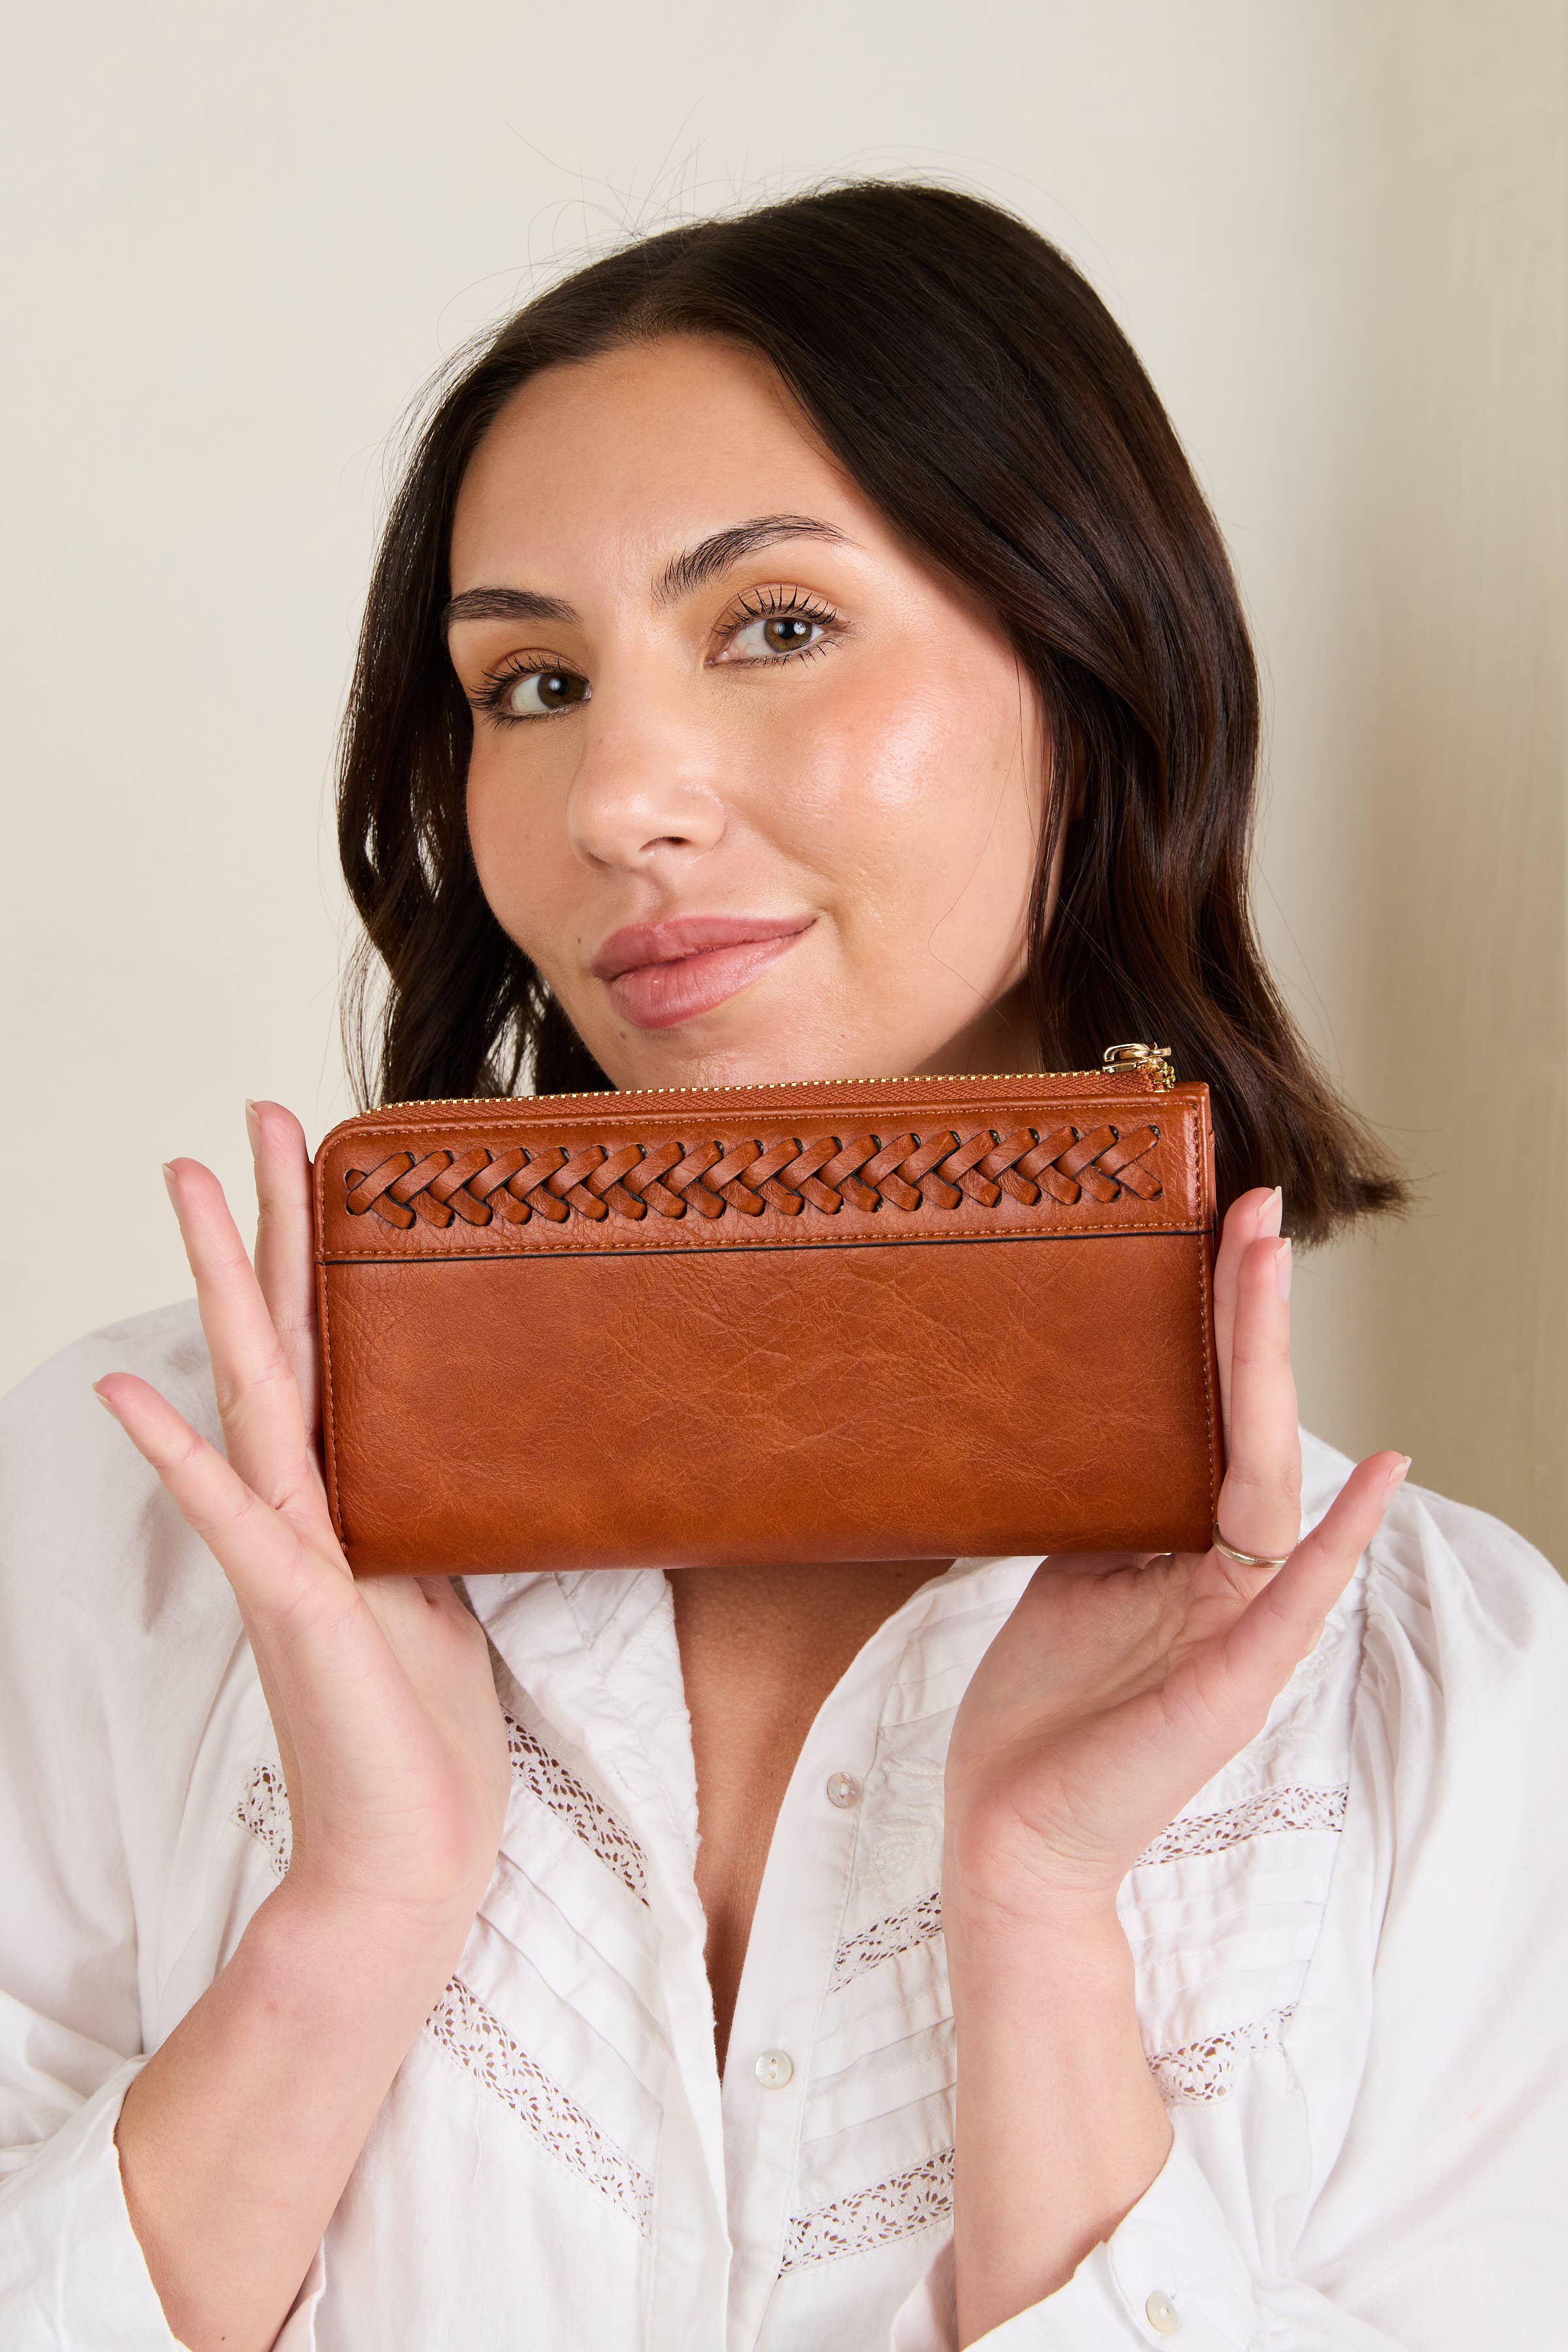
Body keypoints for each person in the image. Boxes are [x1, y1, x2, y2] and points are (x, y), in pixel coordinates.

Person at [1, 180, 1562, 2352]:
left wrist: (1032, 1916)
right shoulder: (131, 1533)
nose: (618, 794)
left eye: (776, 627)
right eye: (530, 680)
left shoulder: (1450, 1706)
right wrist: (353, 1920)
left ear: (1089, 677)